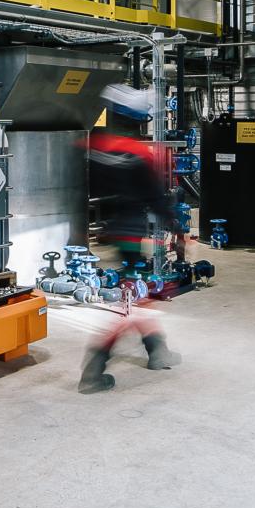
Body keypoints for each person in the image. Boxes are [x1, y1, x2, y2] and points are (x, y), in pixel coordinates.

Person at [79, 83, 181, 393]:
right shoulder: (135, 152)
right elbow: (155, 195)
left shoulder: (96, 146)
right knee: (130, 299)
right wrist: (177, 227)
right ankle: (94, 370)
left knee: (138, 292)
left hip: (112, 230)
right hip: (132, 232)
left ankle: (156, 350)